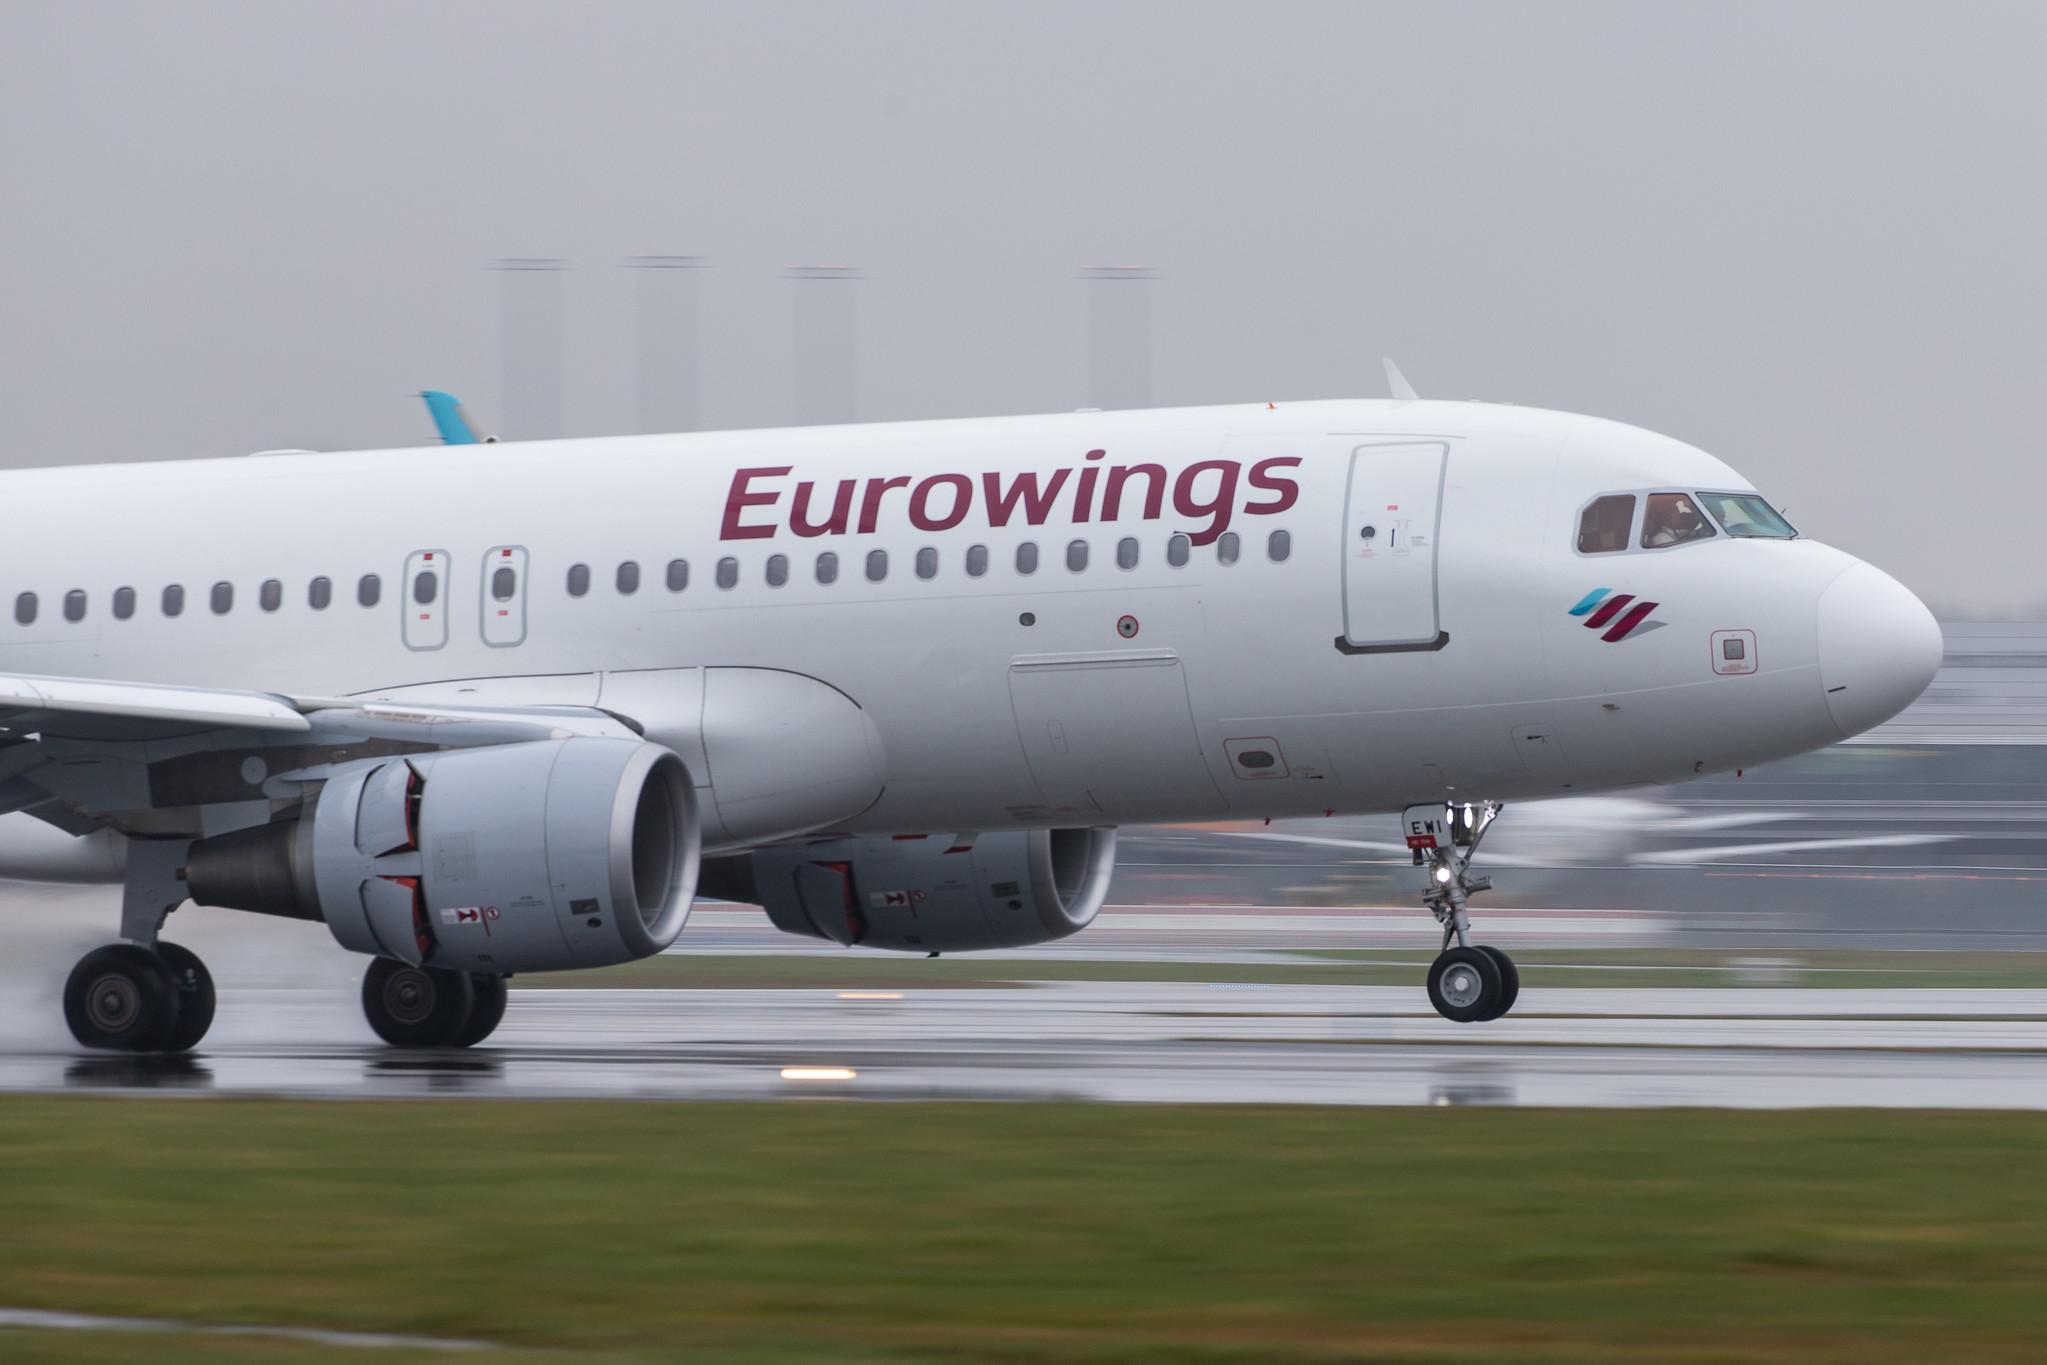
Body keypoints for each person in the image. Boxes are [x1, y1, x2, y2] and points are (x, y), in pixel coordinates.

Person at [1643, 493, 1711, 548]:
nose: (1680, 514)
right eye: (1675, 512)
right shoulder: (1662, 538)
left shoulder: (1672, 533)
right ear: (1667, 517)